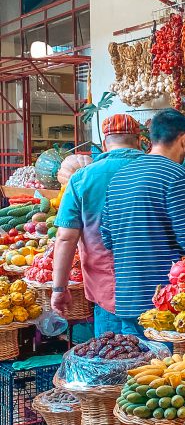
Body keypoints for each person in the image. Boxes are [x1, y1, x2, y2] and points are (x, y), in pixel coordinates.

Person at [100, 109, 185, 332]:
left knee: (135, 365)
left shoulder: (120, 178)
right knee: (166, 367)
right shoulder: (176, 176)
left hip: (127, 300)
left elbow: (107, 238)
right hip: (165, 305)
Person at [52, 114, 143, 336]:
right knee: (157, 367)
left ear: (104, 144)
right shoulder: (159, 173)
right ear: (139, 141)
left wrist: (59, 288)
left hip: (106, 290)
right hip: (154, 291)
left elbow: (65, 237)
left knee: (111, 360)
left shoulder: (82, 177)